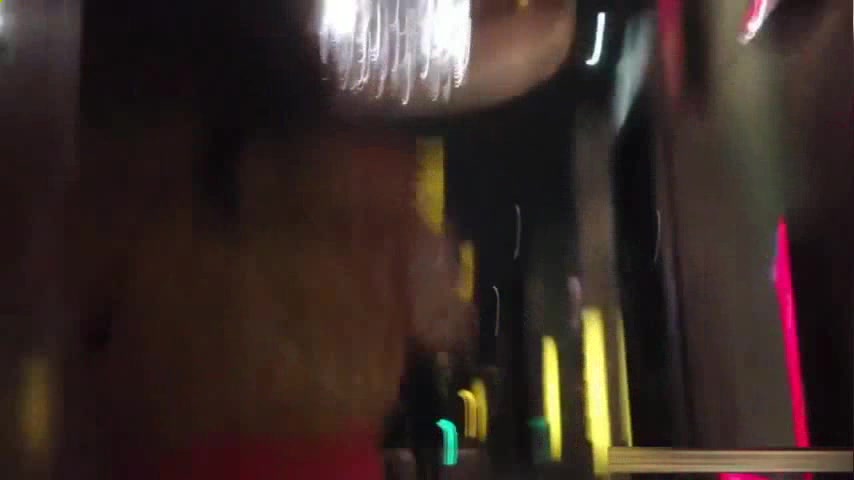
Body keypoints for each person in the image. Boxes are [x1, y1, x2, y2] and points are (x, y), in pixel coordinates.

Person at [68, 1, 573, 478]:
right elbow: (439, 315)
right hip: (330, 457)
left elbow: (72, 297)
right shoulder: (372, 177)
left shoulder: (130, 157)